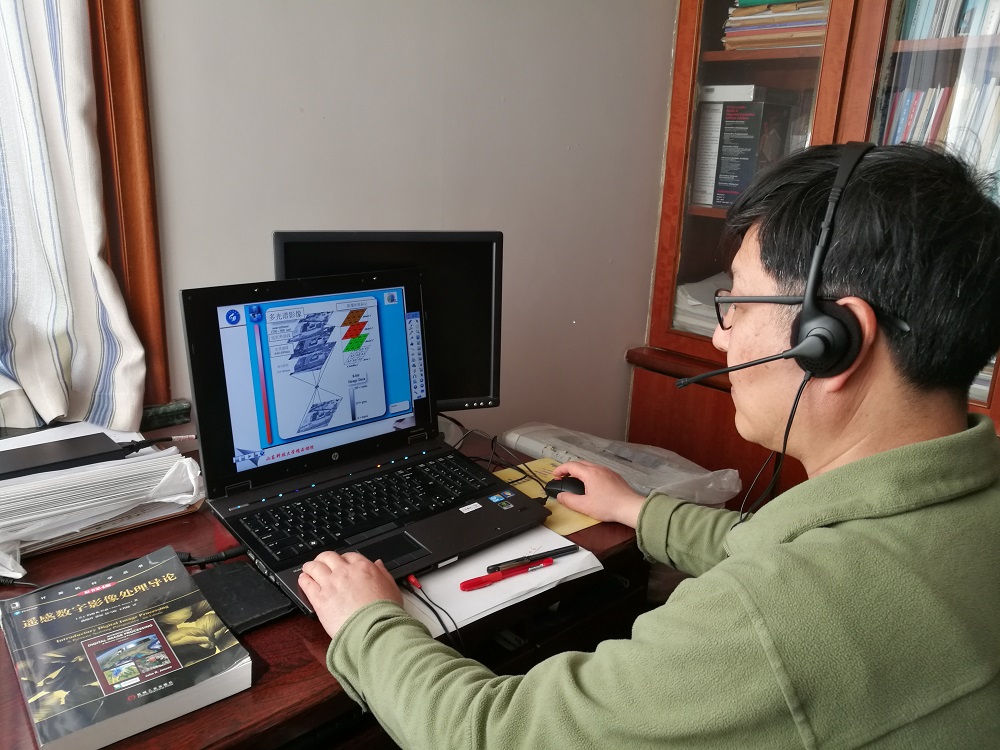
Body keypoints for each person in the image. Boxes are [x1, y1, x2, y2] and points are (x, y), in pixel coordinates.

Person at [298, 143, 1000, 749]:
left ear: (832, 340)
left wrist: (367, 622)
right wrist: (637, 509)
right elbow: (770, 546)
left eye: (738, 302)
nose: (719, 337)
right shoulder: (961, 504)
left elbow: (492, 734)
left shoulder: (776, 616)